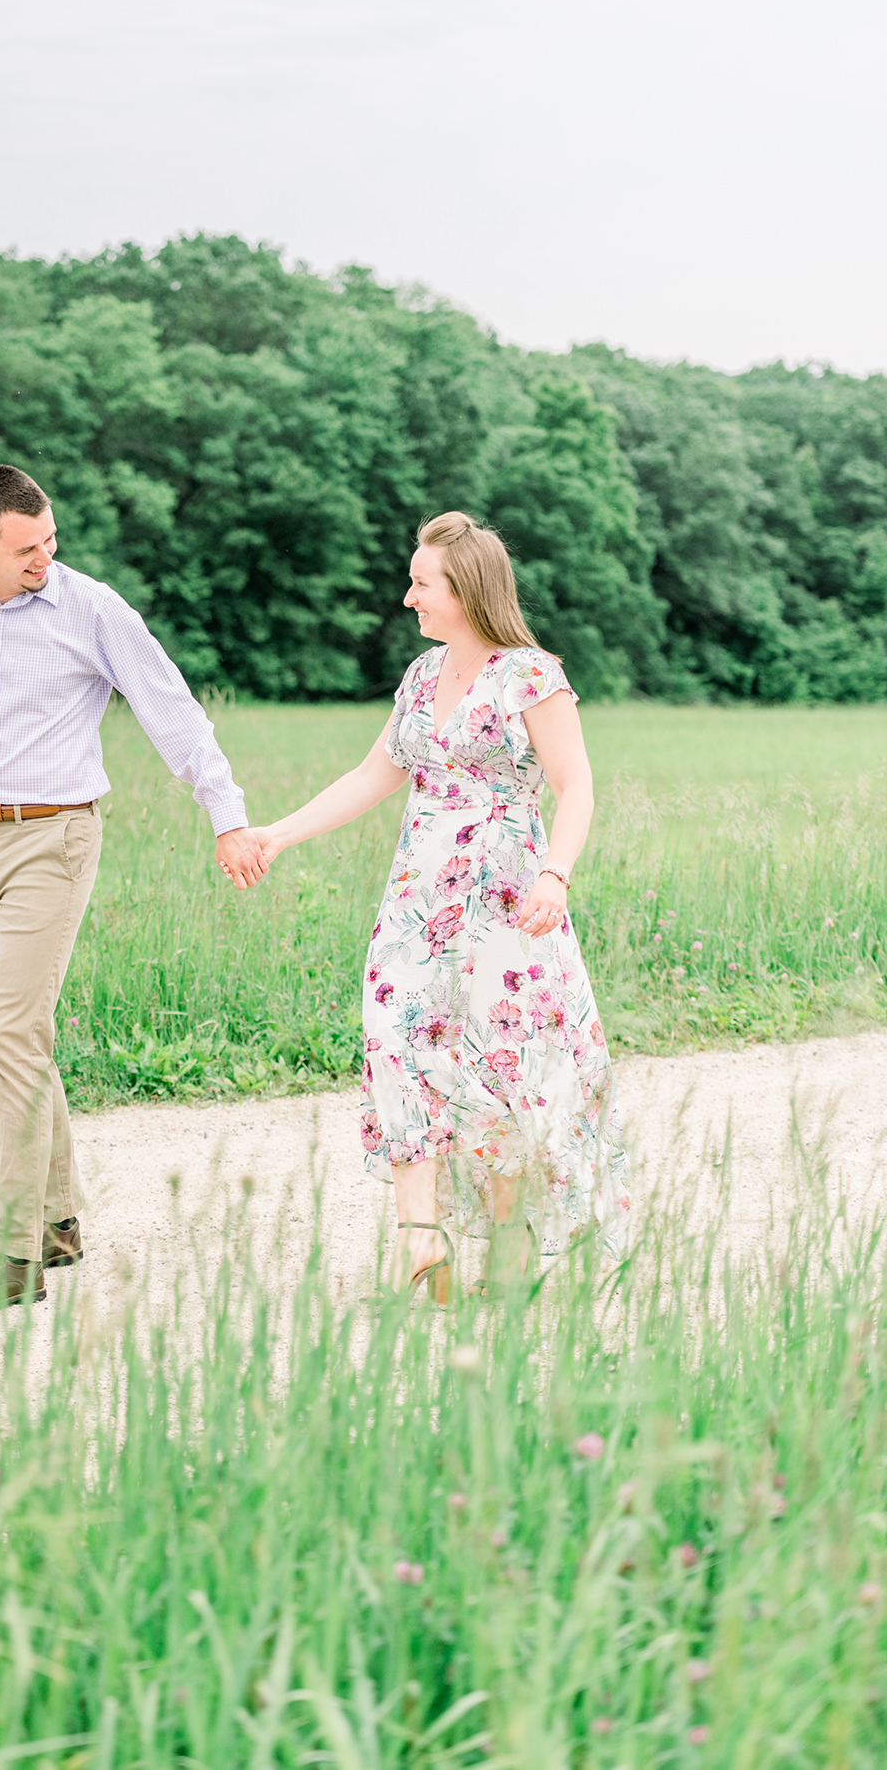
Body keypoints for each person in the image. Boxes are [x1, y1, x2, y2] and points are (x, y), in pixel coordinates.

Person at [0, 464, 267, 1309]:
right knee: (10, 1037)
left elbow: (171, 708)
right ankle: (58, 1222)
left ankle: (14, 1256)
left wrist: (227, 814)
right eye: (26, 548)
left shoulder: (91, 607)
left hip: (56, 837)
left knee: (11, 1028)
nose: (45, 557)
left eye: (50, 541)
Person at [246, 511, 630, 1298]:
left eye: (422, 583)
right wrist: (276, 835)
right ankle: (419, 1233)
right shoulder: (422, 678)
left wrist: (556, 875)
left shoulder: (531, 676)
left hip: (505, 901)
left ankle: (512, 1248)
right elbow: (371, 776)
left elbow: (576, 784)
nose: (408, 596)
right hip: (418, 900)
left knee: (493, 1069)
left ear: (465, 590)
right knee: (396, 1038)